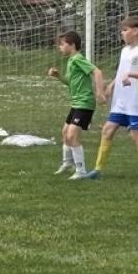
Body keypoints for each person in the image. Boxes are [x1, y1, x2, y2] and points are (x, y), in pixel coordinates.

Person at [92, 15, 138, 182]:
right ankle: (97, 170)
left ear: (135, 31)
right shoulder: (124, 51)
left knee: (135, 136)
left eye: (124, 30)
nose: (122, 33)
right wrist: (112, 85)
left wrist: (131, 74)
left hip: (136, 102)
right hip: (120, 101)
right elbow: (122, 72)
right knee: (107, 130)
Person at [47, 31, 105, 180]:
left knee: (72, 136)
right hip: (76, 103)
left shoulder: (78, 58)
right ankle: (68, 163)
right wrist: (58, 76)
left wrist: (99, 93)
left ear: (72, 45)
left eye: (62, 44)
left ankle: (81, 170)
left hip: (85, 103)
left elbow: (97, 72)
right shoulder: (71, 60)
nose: (60, 47)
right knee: (65, 133)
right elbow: (70, 83)